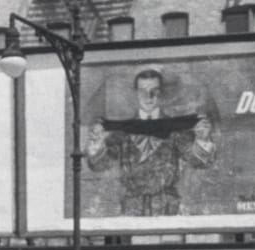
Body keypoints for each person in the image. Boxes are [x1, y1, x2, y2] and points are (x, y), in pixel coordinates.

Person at [85, 67, 216, 217]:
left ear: (161, 94)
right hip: (131, 210)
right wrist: (96, 142)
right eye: (142, 91)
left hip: (168, 209)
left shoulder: (175, 129)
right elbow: (99, 165)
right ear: (135, 94)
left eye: (155, 91)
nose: (149, 96)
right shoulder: (122, 131)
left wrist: (203, 138)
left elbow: (199, 162)